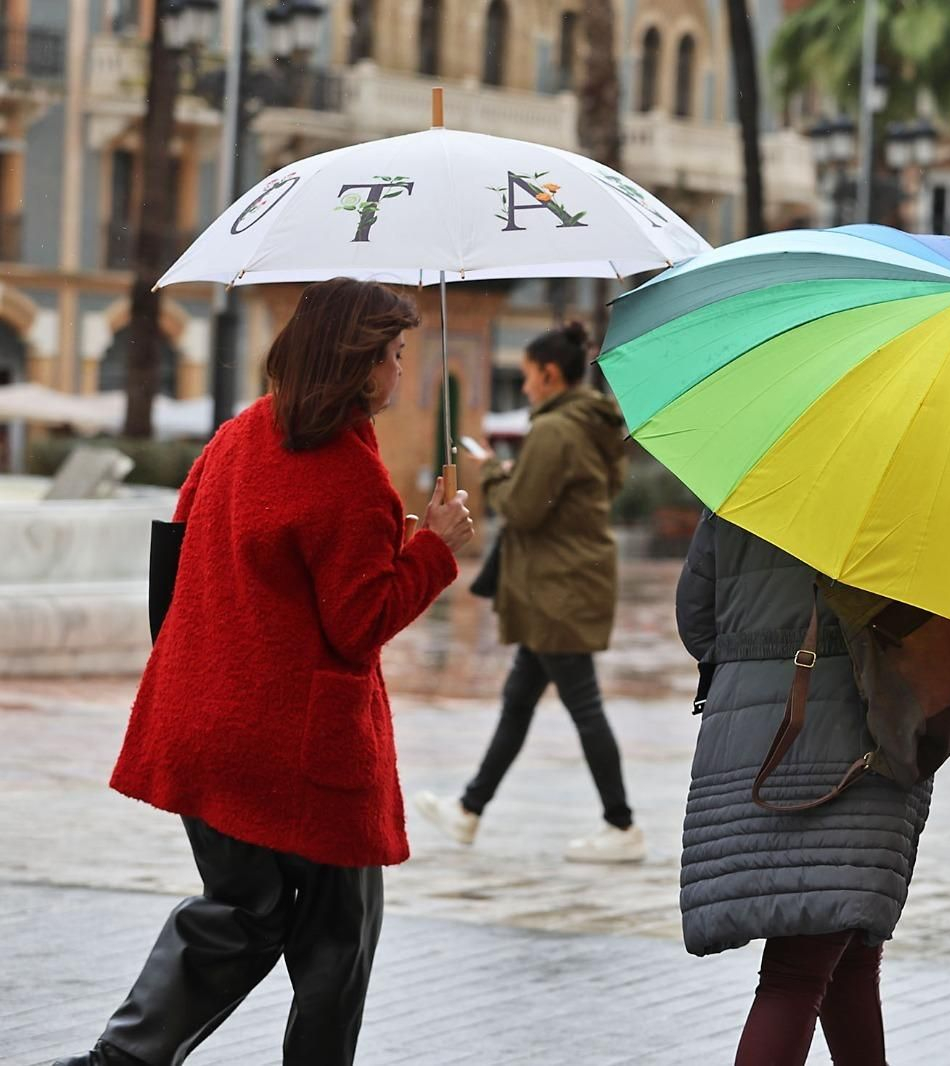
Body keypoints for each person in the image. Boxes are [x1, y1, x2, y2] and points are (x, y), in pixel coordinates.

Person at [55, 278, 475, 1066]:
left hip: (203, 721)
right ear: (357, 365)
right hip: (303, 752)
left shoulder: (238, 435)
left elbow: (176, 561)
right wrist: (434, 550)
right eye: (393, 357)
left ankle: (122, 1059)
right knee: (336, 948)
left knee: (241, 911)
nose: (399, 374)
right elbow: (359, 627)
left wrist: (385, 546)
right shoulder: (350, 476)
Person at [675, 512, 950, 1065]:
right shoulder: (924, 497)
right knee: (798, 970)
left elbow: (698, 626)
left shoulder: (751, 486)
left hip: (744, 736)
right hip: (860, 735)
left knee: (846, 947)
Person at [414, 323, 643, 863]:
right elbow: (571, 494)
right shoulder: (588, 424)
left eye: (527, 377)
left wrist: (492, 471)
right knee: (518, 700)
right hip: (563, 581)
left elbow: (521, 509)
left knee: (582, 704)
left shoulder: (556, 430)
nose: (523, 389)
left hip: (557, 587)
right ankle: (469, 810)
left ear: (549, 373)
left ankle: (622, 825)